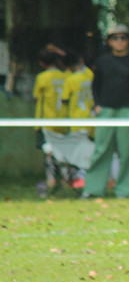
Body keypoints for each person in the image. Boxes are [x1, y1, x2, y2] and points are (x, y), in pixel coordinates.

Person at [84, 24, 129, 199]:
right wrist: (97, 105)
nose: (119, 41)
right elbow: (95, 86)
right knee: (101, 150)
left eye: (123, 38)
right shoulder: (103, 61)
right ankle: (94, 189)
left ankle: (124, 190)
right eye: (115, 38)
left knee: (127, 152)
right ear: (109, 42)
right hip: (106, 110)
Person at [59, 48, 96, 190]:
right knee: (90, 147)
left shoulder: (70, 80)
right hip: (91, 118)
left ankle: (81, 178)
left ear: (67, 67)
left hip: (76, 118)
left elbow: (64, 99)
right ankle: (90, 176)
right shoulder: (89, 75)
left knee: (79, 149)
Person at [33, 47, 68, 194]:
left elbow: (36, 98)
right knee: (63, 149)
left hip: (46, 119)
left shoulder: (42, 78)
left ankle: (51, 178)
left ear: (41, 63)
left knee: (48, 150)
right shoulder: (64, 76)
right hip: (62, 119)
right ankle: (66, 178)